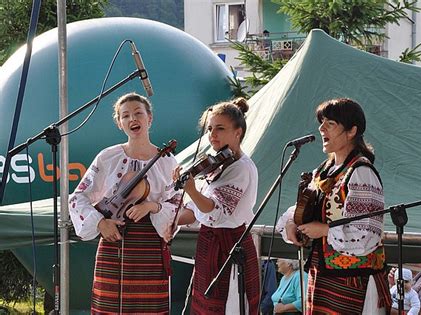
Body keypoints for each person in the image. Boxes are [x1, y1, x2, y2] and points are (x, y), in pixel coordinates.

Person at [277, 98, 392, 314]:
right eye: (322, 122)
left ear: (351, 131)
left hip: (353, 279)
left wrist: (324, 230)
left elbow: (368, 233)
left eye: (330, 123)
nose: (321, 128)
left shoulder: (361, 172)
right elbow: (306, 206)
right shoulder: (324, 170)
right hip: (323, 274)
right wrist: (293, 223)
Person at [69, 92, 180, 314]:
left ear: (150, 118)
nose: (132, 119)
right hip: (113, 239)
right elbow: (78, 197)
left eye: (138, 113)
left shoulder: (168, 162)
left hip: (149, 245)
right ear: (119, 123)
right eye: (125, 115)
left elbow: (177, 204)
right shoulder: (107, 157)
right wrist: (100, 223)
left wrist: (152, 206)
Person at [173, 98, 260, 314]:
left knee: (228, 306)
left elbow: (218, 213)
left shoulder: (240, 168)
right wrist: (166, 216)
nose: (212, 134)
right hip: (210, 243)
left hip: (230, 245)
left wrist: (191, 189)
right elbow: (194, 212)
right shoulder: (217, 166)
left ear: (238, 132)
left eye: (220, 129)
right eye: (210, 128)